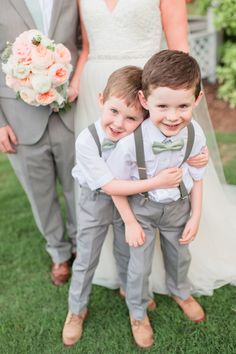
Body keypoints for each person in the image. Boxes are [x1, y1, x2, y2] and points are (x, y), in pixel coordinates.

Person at [69, 0, 236, 296]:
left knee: (152, 161)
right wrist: (71, 86)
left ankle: (164, 268)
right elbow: (86, 50)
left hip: (150, 88)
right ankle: (121, 265)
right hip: (101, 91)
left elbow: (179, 48)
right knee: (109, 172)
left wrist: (179, 115)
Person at [62, 66, 183, 347]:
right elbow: (110, 186)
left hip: (129, 203)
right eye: (114, 111)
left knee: (127, 251)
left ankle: (131, 293)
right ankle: (76, 309)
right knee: (86, 256)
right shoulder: (86, 141)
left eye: (131, 118)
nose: (119, 123)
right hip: (95, 200)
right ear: (101, 99)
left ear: (143, 118)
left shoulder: (140, 138)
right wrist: (155, 183)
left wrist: (196, 159)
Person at [107, 50, 206, 348]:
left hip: (179, 206)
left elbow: (197, 176)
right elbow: (114, 186)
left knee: (180, 256)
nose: (173, 116)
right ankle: (137, 311)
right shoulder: (130, 143)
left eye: (183, 106)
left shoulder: (194, 133)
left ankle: (180, 290)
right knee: (139, 265)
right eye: (162, 106)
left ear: (197, 100)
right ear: (144, 100)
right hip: (141, 210)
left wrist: (196, 214)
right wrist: (130, 223)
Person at [0, 0, 81, 285]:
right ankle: (58, 252)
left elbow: (83, 44)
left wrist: (76, 82)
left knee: (78, 186)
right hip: (18, 116)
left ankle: (80, 245)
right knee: (40, 193)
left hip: (69, 109)